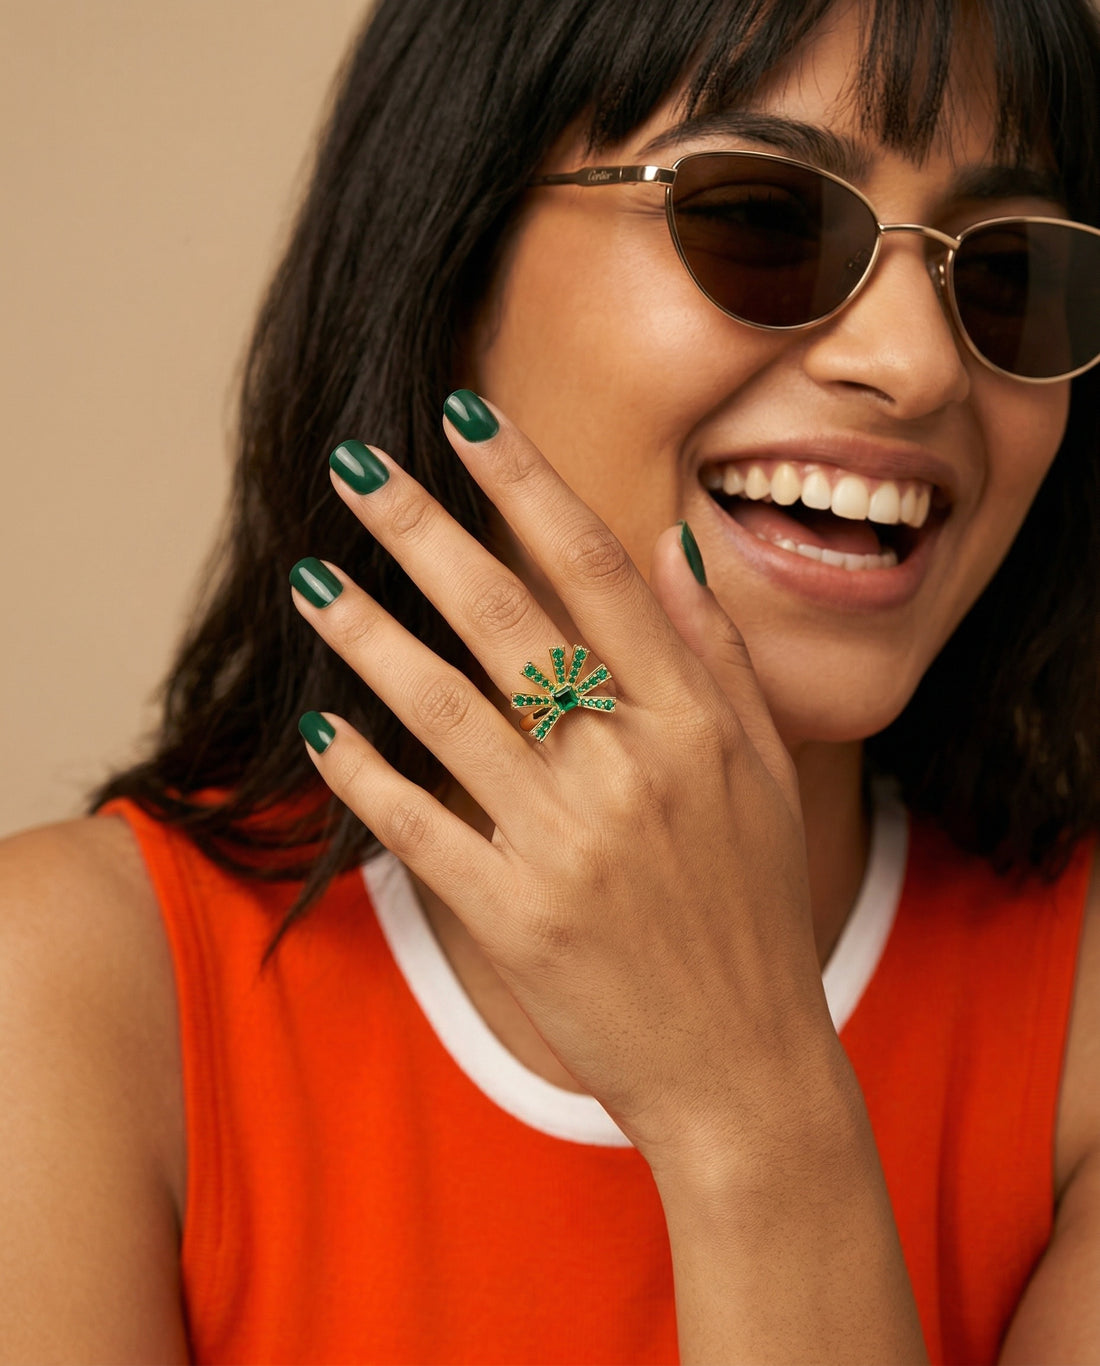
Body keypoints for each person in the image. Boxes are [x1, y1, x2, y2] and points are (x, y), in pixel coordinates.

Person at [2, 0, 1099, 1360]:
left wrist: (748, 1108)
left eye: (1007, 276)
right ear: (454, 269)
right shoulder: (69, 999)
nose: (920, 363)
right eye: (762, 217)